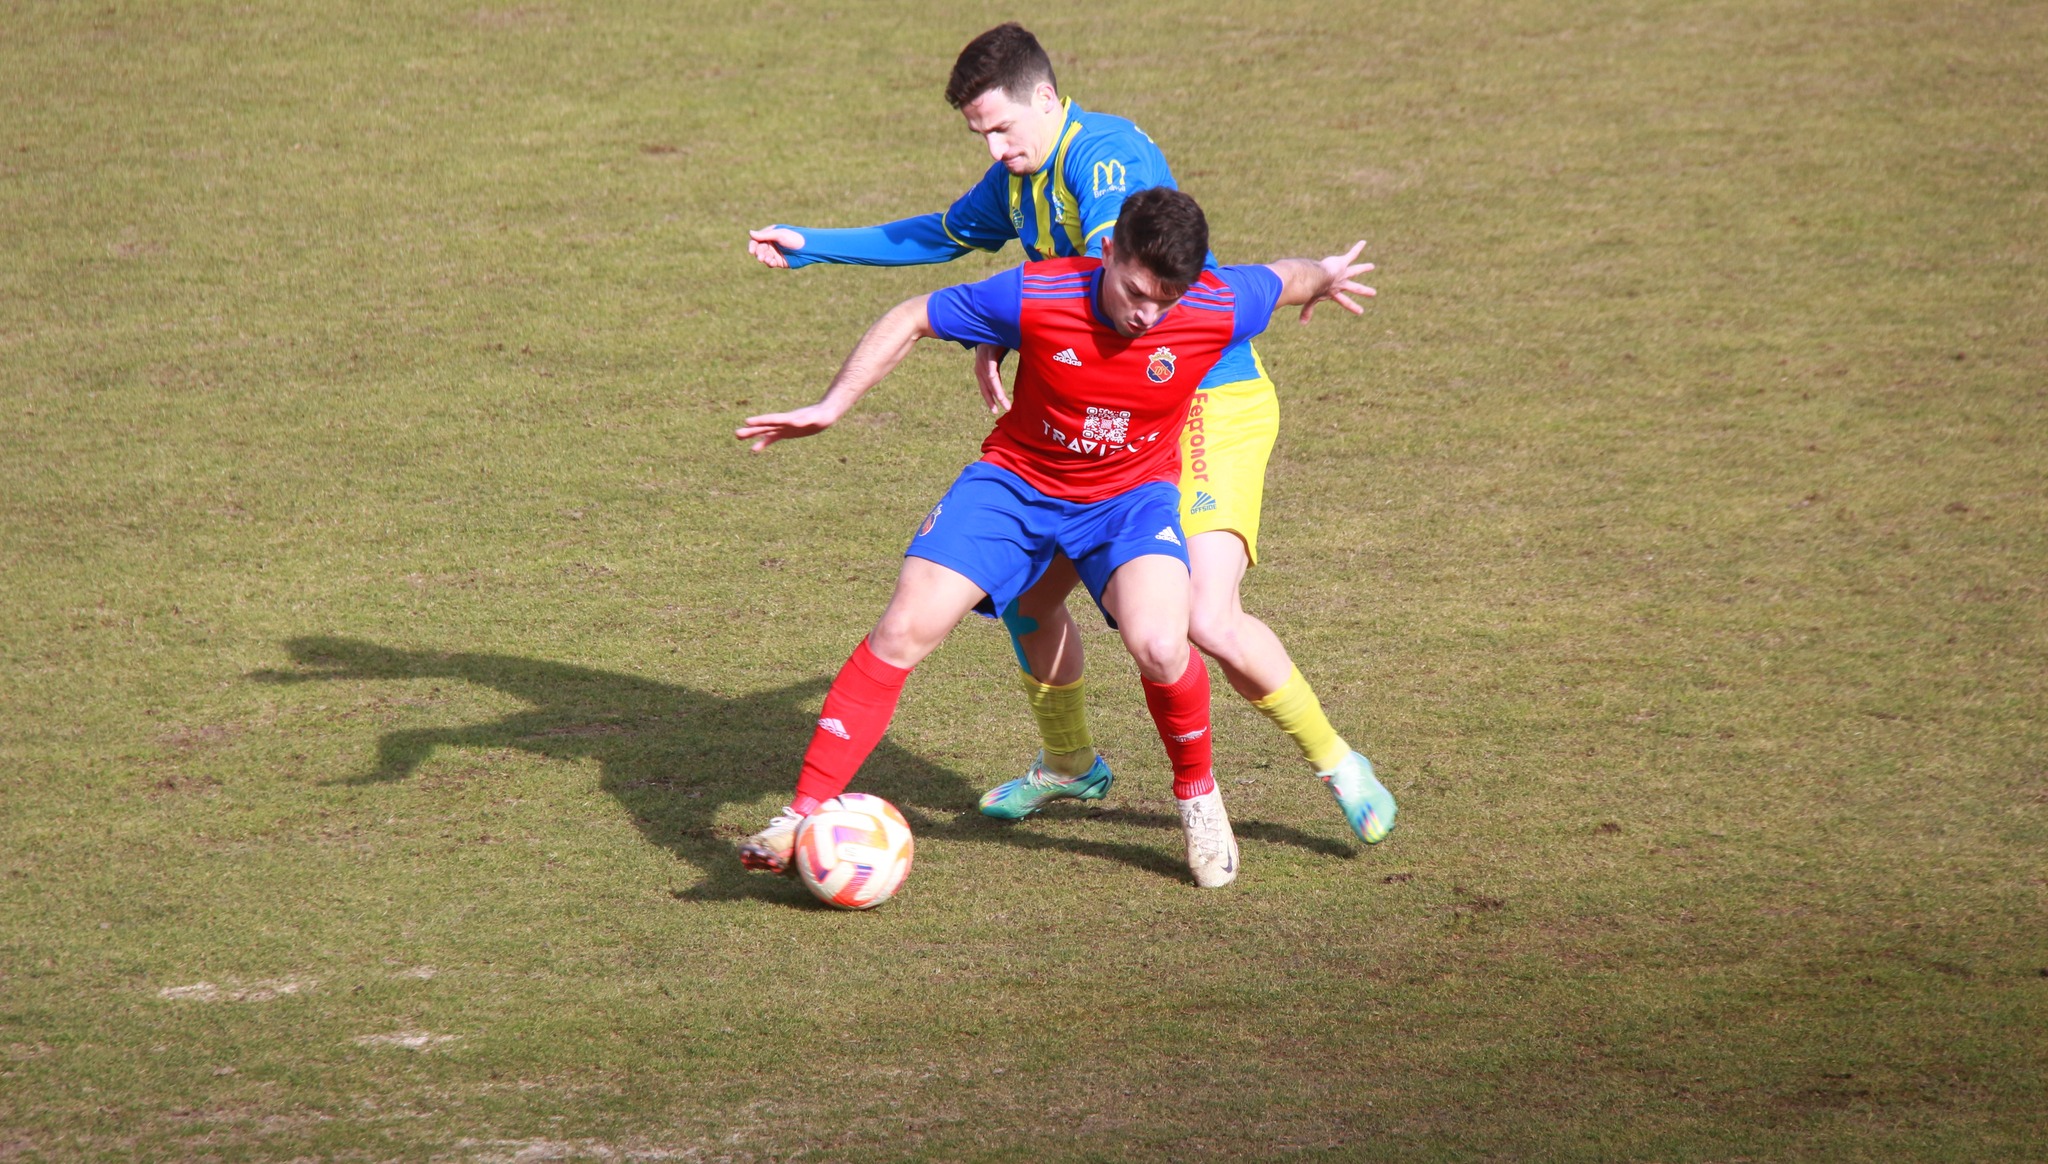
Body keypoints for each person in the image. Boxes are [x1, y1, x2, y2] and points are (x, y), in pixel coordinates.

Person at [745, 23, 1395, 848]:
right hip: (1095, 423)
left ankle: (1338, 764)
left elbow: (1116, 306)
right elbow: (945, 237)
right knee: (1025, 598)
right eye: (979, 131)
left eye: (1003, 125)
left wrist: (1007, 331)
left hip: (1203, 401)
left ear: (1047, 98)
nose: (994, 143)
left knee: (1201, 618)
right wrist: (819, 250)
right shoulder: (1018, 177)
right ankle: (1071, 763)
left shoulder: (1106, 161)